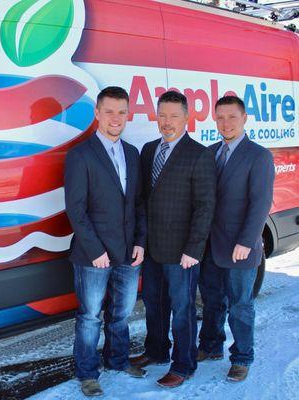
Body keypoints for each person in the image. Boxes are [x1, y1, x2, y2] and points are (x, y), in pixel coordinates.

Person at [64, 86, 147, 397]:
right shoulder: (80, 155)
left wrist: (140, 241)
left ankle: (118, 360)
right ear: (96, 113)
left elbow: (138, 202)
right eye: (109, 111)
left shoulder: (132, 153)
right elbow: (76, 208)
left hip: (128, 252)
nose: (116, 118)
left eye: (121, 112)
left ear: (128, 115)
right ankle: (87, 373)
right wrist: (95, 249)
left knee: (121, 314)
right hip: (93, 255)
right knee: (89, 316)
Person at [130, 90, 216, 388]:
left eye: (174, 116)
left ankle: (184, 364)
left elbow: (205, 206)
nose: (167, 122)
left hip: (182, 252)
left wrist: (194, 248)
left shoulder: (200, 154)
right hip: (152, 247)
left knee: (182, 308)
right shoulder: (149, 149)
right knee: (153, 303)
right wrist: (140, 240)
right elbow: (143, 199)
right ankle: (156, 351)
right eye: (162, 115)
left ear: (187, 118)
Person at [198, 96, 275, 382]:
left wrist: (246, 240)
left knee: (241, 305)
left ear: (244, 118)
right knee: (212, 299)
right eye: (220, 117)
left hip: (240, 247)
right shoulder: (209, 152)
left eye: (232, 117)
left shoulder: (258, 155)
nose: (225, 123)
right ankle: (210, 345)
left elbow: (261, 203)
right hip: (210, 245)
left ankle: (242, 357)